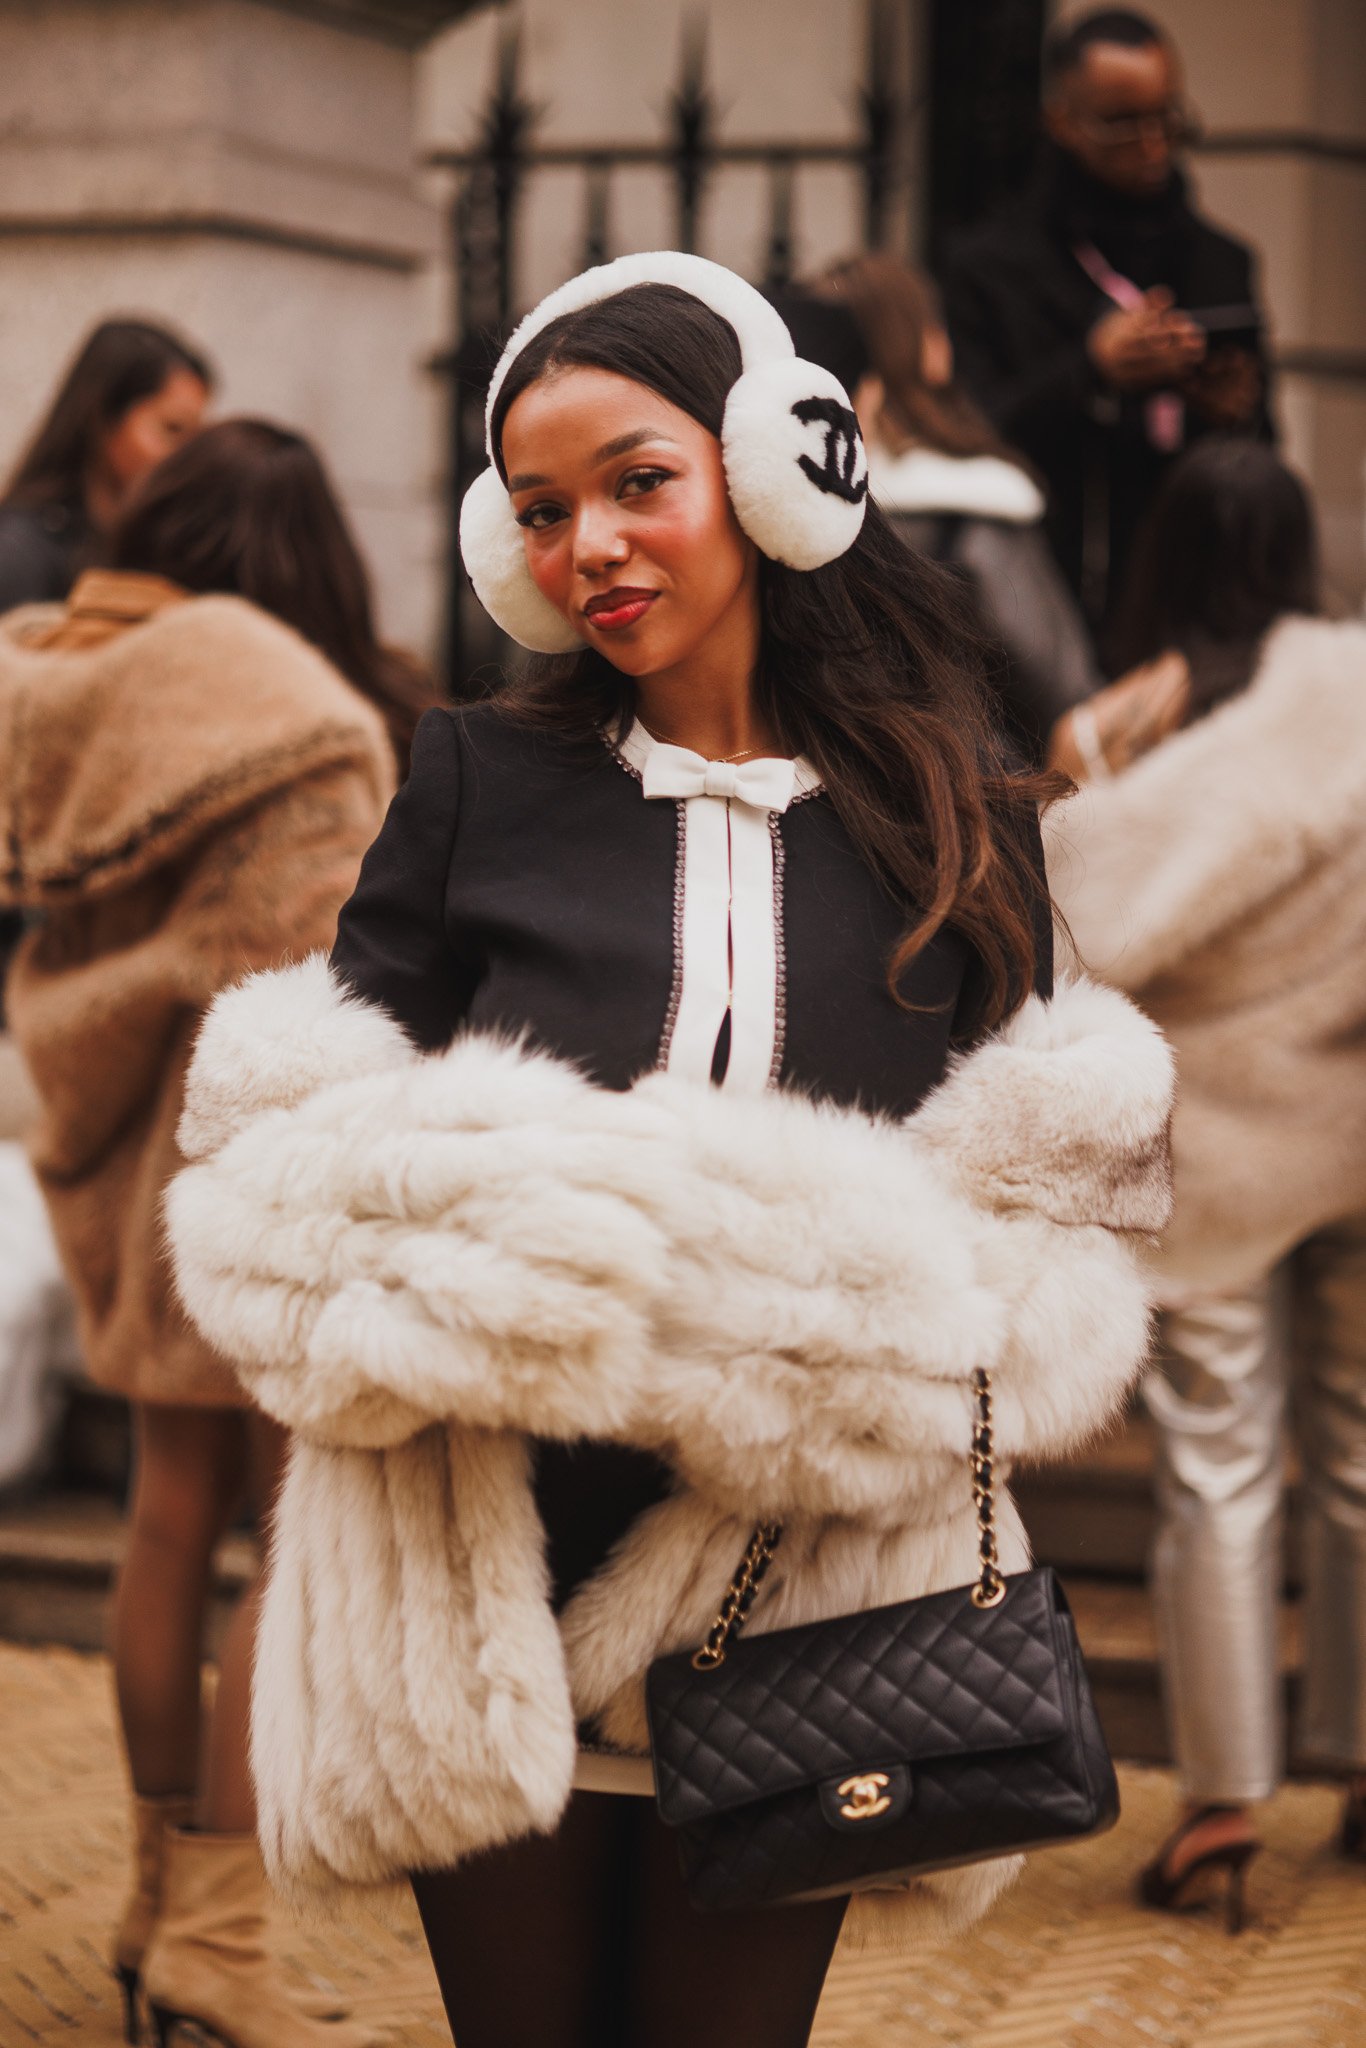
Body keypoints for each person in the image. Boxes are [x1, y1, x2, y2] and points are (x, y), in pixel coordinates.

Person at [164, 255, 1172, 2048]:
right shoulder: (475, 775)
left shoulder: (954, 811)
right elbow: (294, 1143)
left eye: (639, 482)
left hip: (795, 1577)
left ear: (775, 473)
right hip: (490, 1581)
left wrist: (869, 1334)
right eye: (542, 513)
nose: (592, 548)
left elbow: (1049, 1190)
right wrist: (511, 1252)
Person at [0, 418, 432, 2048]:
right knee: (289, 1531)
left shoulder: (54, 684)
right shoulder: (291, 712)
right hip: (257, 1159)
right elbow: (325, 961)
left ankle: (147, 1896)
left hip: (112, 1154)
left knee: (163, 1515)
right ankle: (222, 1932)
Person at [1045, 440, 1366, 1932]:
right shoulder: (1356, 701)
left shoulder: (1130, 727)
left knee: (1217, 1467)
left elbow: (1087, 921)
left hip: (1220, 1151)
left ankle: (1222, 1812)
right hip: (1362, 1126)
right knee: (1364, 1463)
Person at [940, 8, 1273, 652]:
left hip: (1191, 606)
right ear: (1063, 121)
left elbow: (1264, 450)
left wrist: (1232, 415)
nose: (1152, 145)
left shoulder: (1221, 261)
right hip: (1043, 609)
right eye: (1124, 125)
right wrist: (1093, 373)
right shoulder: (991, 265)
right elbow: (969, 434)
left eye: (1166, 119)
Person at [808, 254, 1100, 760]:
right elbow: (1058, 689)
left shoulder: (793, 505)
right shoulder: (976, 505)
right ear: (929, 346)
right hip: (965, 794)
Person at [0, 318, 213, 614]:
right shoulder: (20, 550)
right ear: (103, 419)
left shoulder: (161, 542)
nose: (188, 456)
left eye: (197, 438)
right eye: (172, 430)